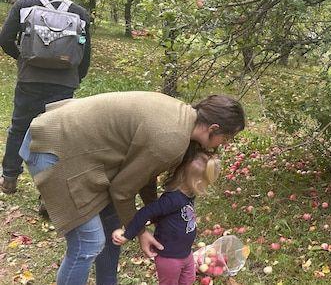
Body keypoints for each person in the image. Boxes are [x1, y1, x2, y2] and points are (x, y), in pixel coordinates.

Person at [19, 91, 245, 285]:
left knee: (110, 226)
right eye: (227, 138)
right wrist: (139, 231)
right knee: (88, 243)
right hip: (56, 148)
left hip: (78, 147)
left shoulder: (182, 119)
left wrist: (155, 214)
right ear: (213, 128)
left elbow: (144, 174)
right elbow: (121, 191)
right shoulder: (171, 139)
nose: (225, 144)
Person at [0, 0, 91, 196]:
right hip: (64, 82)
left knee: (19, 127)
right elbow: (85, 54)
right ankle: (49, 192)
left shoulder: (24, 5)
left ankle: (9, 178)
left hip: (30, 79)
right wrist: (75, 76)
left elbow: (5, 39)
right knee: (56, 134)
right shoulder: (79, 12)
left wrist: (24, 59)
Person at [112, 151, 221, 285]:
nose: (206, 187)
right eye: (206, 183)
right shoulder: (173, 199)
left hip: (185, 253)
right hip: (170, 258)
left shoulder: (189, 194)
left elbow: (160, 215)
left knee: (189, 280)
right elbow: (146, 212)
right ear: (197, 182)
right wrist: (127, 235)